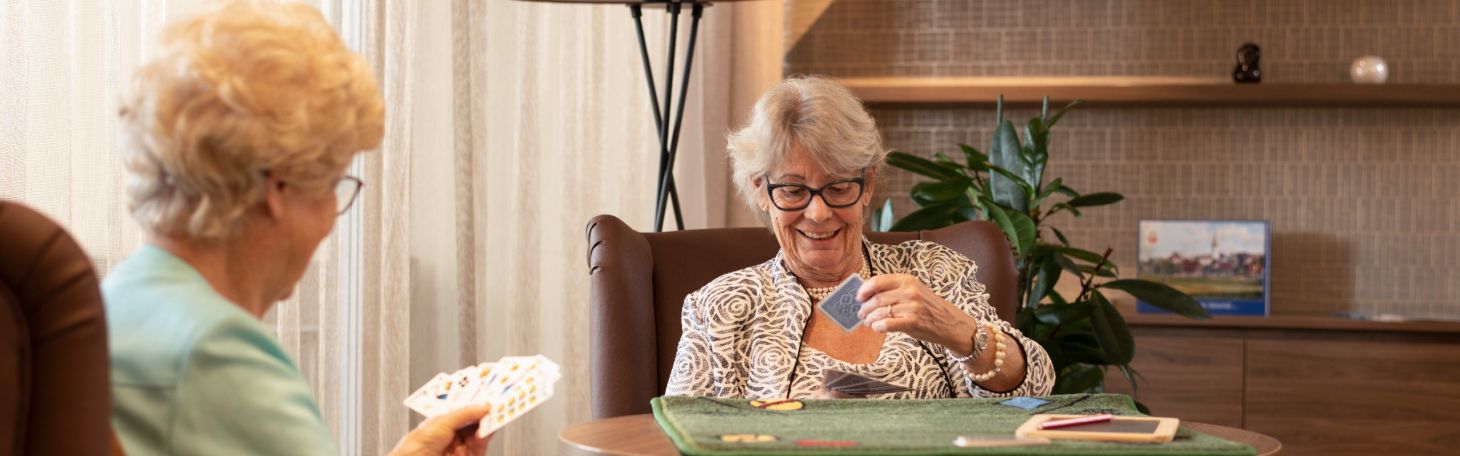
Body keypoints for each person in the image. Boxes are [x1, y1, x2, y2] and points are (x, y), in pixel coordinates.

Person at [105, 1, 490, 454]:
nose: (331, 217)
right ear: (278, 188)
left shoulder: (112, 303)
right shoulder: (218, 352)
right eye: (332, 184)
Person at [665, 76, 1055, 400]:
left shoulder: (934, 273)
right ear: (762, 192)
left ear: (867, 185)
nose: (818, 213)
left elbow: (1035, 391)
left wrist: (961, 333)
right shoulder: (719, 309)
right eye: (793, 190)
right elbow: (677, 437)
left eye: (837, 187)